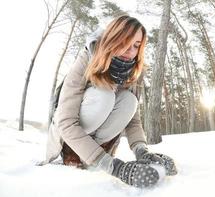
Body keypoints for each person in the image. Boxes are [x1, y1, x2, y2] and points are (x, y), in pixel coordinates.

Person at [43, 15, 177, 188]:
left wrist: (142, 151)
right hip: (70, 138)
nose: (131, 51)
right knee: (104, 95)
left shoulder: (133, 71)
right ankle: (74, 156)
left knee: (130, 101)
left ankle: (93, 157)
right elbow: (66, 122)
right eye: (125, 42)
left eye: (136, 45)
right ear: (112, 39)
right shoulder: (87, 59)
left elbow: (132, 119)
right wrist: (115, 167)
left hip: (100, 143)